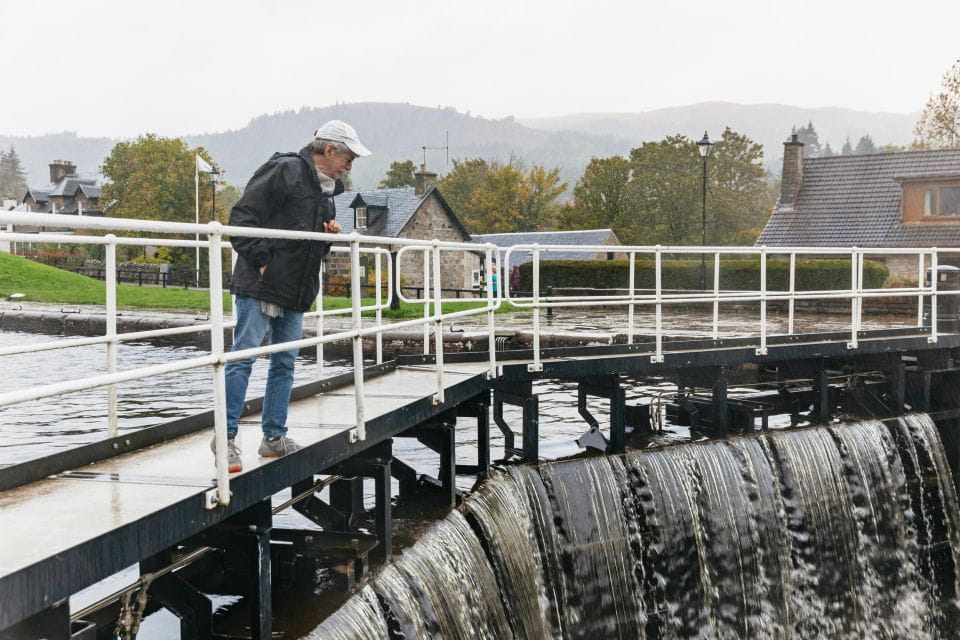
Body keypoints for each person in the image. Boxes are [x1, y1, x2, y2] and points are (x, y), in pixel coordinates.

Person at [214, 120, 370, 472]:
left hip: (297, 289)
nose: (350, 165)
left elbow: (313, 244)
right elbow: (241, 219)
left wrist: (326, 233)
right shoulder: (285, 170)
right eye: (348, 157)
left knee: (284, 363)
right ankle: (225, 440)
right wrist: (263, 262)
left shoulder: (327, 191)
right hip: (260, 284)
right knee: (243, 358)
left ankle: (273, 438)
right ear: (329, 150)